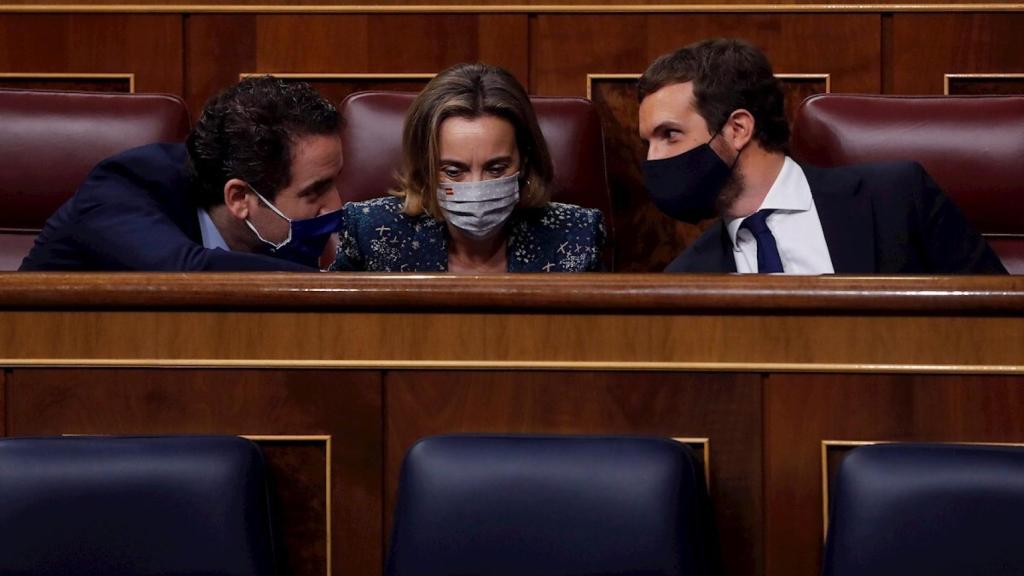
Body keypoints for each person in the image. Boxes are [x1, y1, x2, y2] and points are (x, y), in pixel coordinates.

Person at [637, 38, 1007, 274]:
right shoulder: (688, 276)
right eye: (647, 144)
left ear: (738, 130)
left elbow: (1002, 329)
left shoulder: (898, 198)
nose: (653, 160)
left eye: (669, 135)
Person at [20, 76, 344, 271]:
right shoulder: (125, 186)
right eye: (314, 192)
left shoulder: (274, 235)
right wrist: (330, 288)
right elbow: (187, 272)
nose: (336, 207)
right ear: (239, 198)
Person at [330, 63, 605, 273]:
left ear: (525, 161)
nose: (476, 186)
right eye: (453, 171)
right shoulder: (369, 231)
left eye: (496, 168)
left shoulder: (577, 234)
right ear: (425, 168)